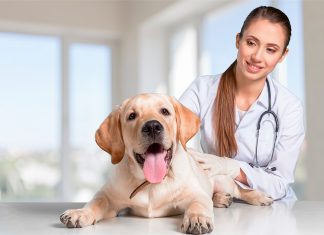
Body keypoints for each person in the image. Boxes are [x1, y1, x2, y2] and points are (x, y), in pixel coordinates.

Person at [179, 6, 305, 200]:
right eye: (251, 43)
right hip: (217, 204)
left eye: (271, 50)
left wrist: (232, 169)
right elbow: (171, 140)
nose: (257, 56)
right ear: (238, 40)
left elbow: (279, 183)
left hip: (273, 210)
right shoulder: (203, 90)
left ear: (283, 56)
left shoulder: (289, 107)